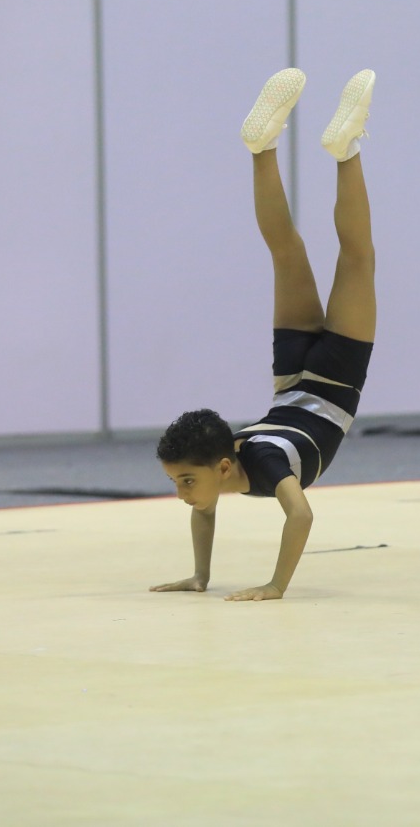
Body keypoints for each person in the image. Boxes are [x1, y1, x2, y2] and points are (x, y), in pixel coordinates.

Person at [150, 67, 377, 602]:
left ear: (225, 464)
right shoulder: (225, 461)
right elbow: (206, 510)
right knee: (286, 251)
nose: (184, 494)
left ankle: (346, 152)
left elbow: (300, 514)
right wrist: (200, 575)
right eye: (178, 482)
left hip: (331, 383)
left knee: (357, 258)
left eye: (186, 481)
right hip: (290, 379)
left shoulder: (264, 462)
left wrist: (276, 586)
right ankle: (262, 148)